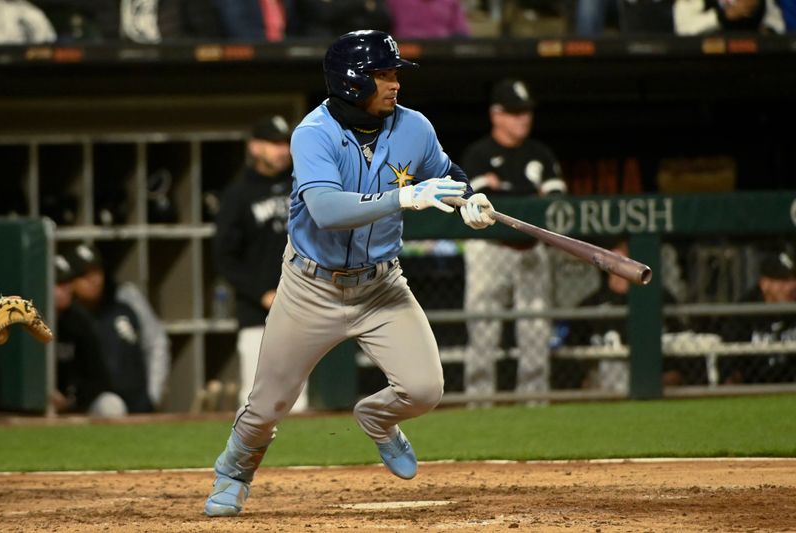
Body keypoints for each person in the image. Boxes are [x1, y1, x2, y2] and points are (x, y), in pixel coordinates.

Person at [203, 29, 495, 517]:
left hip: (381, 285)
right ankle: (233, 472)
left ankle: (377, 419)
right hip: (309, 287)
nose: (395, 83)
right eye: (384, 74)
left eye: (395, 73)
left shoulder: (414, 127)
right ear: (352, 80)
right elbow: (327, 210)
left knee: (424, 389)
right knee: (268, 406)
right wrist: (406, 196)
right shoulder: (312, 133)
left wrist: (470, 198)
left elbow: (448, 172)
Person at [460, 78, 566, 403]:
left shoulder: (540, 154)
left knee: (535, 328)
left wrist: (502, 189)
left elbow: (556, 200)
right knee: (483, 329)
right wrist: (523, 194)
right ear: (497, 114)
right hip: (489, 249)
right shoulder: (478, 154)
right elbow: (478, 200)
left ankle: (534, 403)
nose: (523, 118)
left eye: (526, 112)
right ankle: (479, 403)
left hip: (531, 249)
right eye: (514, 112)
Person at [213, 114, 299, 409]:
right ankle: (247, 456)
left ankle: (299, 456)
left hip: (304, 306)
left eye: (285, 142)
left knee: (298, 399)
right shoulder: (238, 195)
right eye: (274, 143)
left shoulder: (303, 185)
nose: (282, 149)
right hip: (256, 313)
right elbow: (224, 257)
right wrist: (261, 293)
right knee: (256, 397)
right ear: (255, 147)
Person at [559, 240, 701, 392]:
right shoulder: (590, 305)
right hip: (604, 388)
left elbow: (682, 344)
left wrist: (669, 376)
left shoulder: (661, 298)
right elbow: (570, 357)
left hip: (654, 382)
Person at [66, 243, 171, 413]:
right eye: (84, 275)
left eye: (97, 272)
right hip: (94, 407)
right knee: (110, 406)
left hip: (139, 404)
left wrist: (153, 394)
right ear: (71, 282)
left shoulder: (125, 300)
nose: (95, 280)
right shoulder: (68, 319)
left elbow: (157, 342)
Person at [52, 254, 127, 416]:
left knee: (111, 405)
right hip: (28, 406)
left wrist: (72, 399)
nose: (67, 289)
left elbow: (101, 379)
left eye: (68, 283)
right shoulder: (22, 320)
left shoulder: (79, 320)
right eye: (59, 284)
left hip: (74, 402)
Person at [715, 247, 796, 384]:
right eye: (783, 282)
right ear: (765, 284)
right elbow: (729, 363)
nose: (791, 287)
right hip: (753, 386)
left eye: (793, 280)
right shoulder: (745, 311)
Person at [673, 0, 786, 35]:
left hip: (752, 63)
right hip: (706, 64)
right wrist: (722, 17)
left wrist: (766, 31)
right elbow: (683, 29)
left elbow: (777, 24)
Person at [385, 0, 470, 39]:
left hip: (442, 56)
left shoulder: (451, 2)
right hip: (405, 55)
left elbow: (461, 34)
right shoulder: (395, 2)